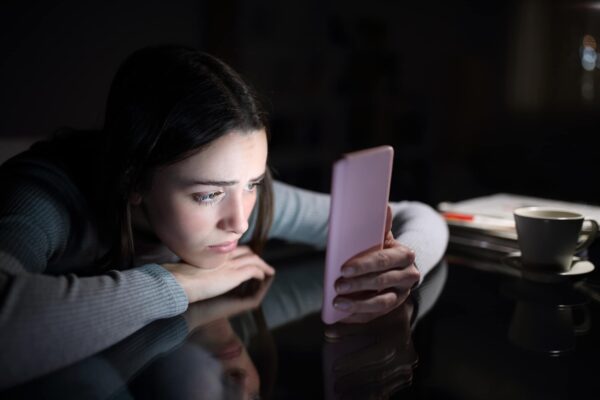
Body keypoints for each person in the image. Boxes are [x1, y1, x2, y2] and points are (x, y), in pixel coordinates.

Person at [0, 44, 448, 389]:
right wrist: (180, 282)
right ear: (133, 181)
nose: (239, 221)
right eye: (208, 194)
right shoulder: (43, 198)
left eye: (253, 184)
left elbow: (417, 214)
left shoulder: (238, 202)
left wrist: (403, 260)